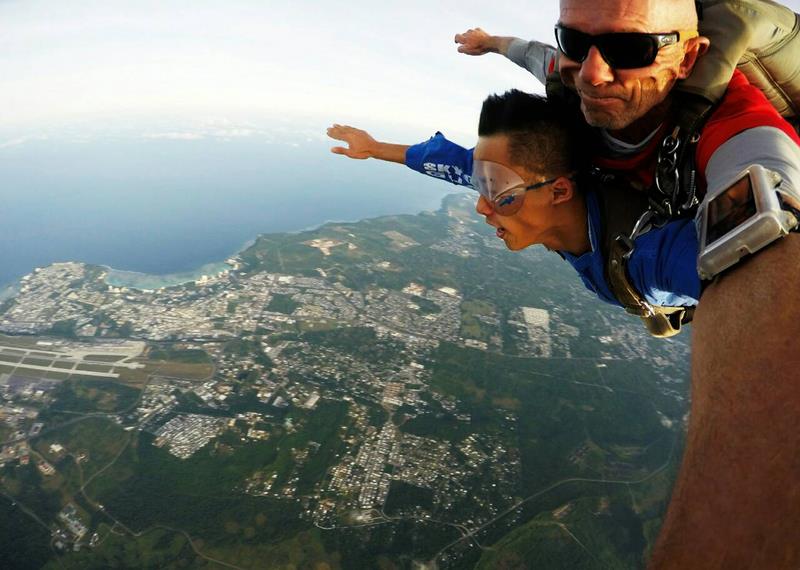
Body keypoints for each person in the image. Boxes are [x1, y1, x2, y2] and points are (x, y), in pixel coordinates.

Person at [455, 0, 800, 567]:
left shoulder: (737, 120)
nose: (593, 71)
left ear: (690, 55)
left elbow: (769, 234)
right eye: (576, 40)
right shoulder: (572, 81)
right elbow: (536, 55)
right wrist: (491, 41)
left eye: (630, 49)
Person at [328, 90, 701, 318]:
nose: (481, 206)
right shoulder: (546, 189)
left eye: (498, 192)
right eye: (481, 184)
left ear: (559, 191)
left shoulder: (652, 259)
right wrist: (375, 148)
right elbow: (449, 161)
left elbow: (741, 278)